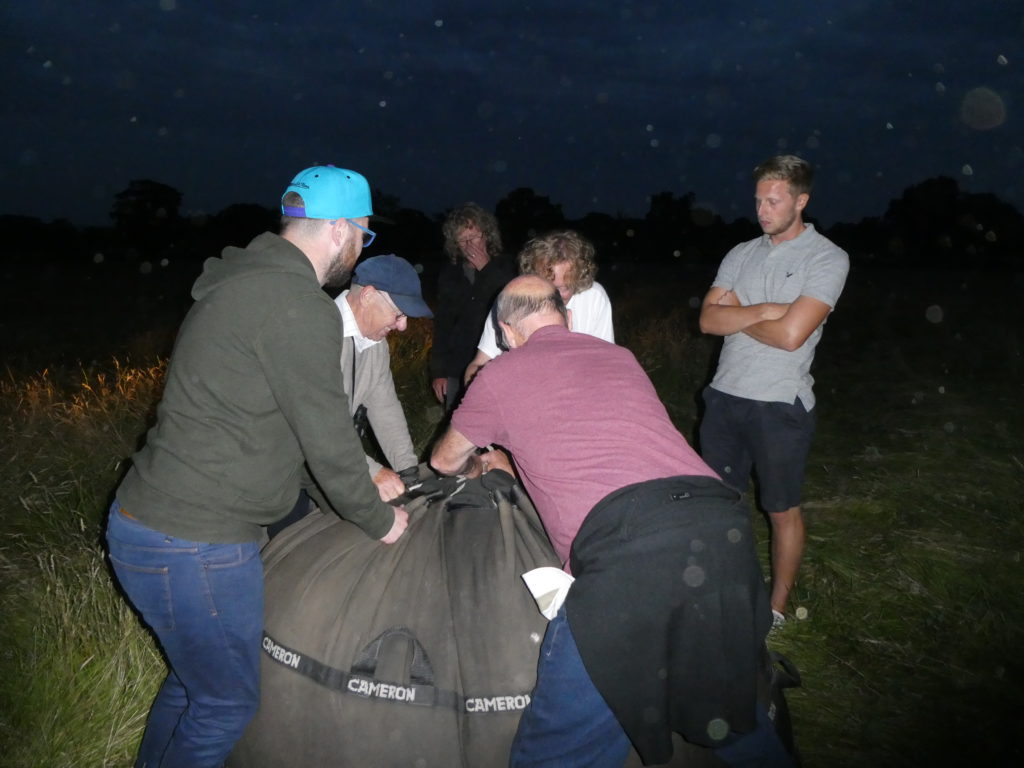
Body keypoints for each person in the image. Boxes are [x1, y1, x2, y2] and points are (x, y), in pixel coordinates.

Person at [105, 165, 409, 768]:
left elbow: (278, 431)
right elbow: (325, 437)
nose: (359, 248)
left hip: (148, 519)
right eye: (364, 236)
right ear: (339, 230)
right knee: (226, 705)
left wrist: (357, 485)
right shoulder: (298, 305)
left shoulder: (241, 282)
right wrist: (378, 521)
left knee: (196, 686)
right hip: (196, 540)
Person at [431, 276, 792, 768]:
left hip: (630, 558)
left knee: (558, 755)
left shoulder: (501, 372)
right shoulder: (619, 358)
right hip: (721, 532)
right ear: (569, 317)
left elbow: (444, 461)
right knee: (726, 716)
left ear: (507, 333)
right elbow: (604, 439)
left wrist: (481, 461)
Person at [698, 154, 849, 626]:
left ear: (801, 201)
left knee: (780, 509)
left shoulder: (827, 258)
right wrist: (767, 309)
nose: (762, 210)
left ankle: (777, 608)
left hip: (780, 404)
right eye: (759, 200)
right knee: (717, 504)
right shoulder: (740, 253)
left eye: (774, 200)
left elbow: (791, 336)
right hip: (724, 397)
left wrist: (740, 315)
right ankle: (718, 592)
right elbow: (706, 320)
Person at [336, 254, 433, 499]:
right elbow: (314, 423)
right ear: (367, 296)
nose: (403, 326)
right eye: (398, 313)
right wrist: (372, 471)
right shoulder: (318, 332)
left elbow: (384, 406)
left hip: (329, 458)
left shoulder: (374, 343)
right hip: (273, 459)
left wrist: (408, 470)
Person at [462, 229, 613, 384]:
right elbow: (478, 365)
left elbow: (606, 362)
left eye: (563, 288)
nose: (554, 299)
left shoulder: (595, 297)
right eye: (546, 286)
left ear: (579, 279)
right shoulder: (513, 297)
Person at [429, 202, 515, 409]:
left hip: (497, 364)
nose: (469, 244)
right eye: (462, 239)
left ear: (487, 235)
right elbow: (443, 325)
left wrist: (486, 269)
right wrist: (439, 372)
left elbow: (511, 306)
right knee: (457, 423)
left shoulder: (507, 267)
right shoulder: (450, 274)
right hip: (457, 367)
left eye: (474, 236)